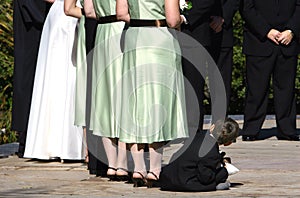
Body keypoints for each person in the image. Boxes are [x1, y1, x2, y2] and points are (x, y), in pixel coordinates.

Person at [116, 0, 188, 187]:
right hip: (158, 39)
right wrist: (182, 17)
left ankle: (138, 168)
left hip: (134, 38)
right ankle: (155, 169)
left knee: (135, 102)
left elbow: (121, 14)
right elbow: (172, 20)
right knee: (157, 101)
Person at [23, 0, 85, 160]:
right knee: (68, 77)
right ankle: (68, 145)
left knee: (55, 78)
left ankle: (50, 144)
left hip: (56, 16)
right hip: (69, 20)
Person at [240, 0, 300, 141]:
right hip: (258, 41)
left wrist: (291, 30)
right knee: (256, 89)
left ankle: (287, 129)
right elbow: (246, 8)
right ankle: (251, 129)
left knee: (286, 89)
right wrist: (266, 31)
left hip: (288, 41)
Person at [64, 0, 109, 177]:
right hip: (104, 25)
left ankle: (91, 153)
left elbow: (68, 9)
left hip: (88, 27)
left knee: (88, 89)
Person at [12, 0, 51, 158]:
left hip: (38, 22)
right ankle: (26, 137)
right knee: (27, 80)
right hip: (31, 27)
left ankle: (32, 137)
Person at [159, 117, 239, 191]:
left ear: (212, 127)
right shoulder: (211, 152)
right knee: (220, 183)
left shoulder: (198, 135)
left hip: (168, 177)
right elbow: (206, 178)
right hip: (184, 183)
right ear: (228, 143)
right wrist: (225, 171)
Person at [180, 0, 223, 131]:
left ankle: (193, 130)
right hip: (163, 34)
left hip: (194, 33)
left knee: (193, 86)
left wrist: (184, 17)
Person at [210, 0, 240, 113]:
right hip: (195, 29)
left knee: (221, 82)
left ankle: (219, 124)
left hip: (223, 33)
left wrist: (223, 18)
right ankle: (193, 126)